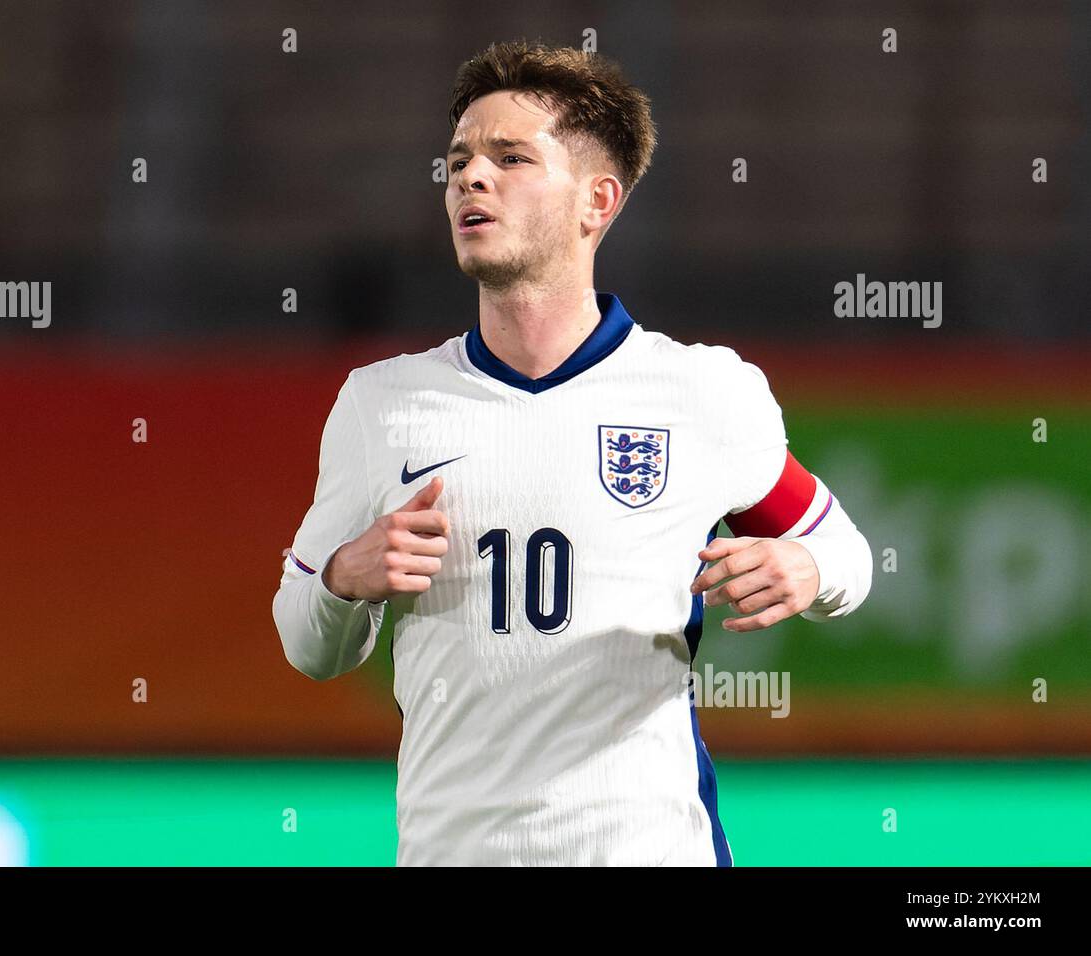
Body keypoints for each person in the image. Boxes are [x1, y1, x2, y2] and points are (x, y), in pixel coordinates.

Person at [272, 39, 872, 865]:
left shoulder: (702, 391)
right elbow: (306, 644)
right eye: (458, 161)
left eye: (510, 157)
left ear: (599, 200)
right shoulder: (382, 402)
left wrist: (809, 569)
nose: (470, 179)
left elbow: (845, 549)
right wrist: (344, 578)